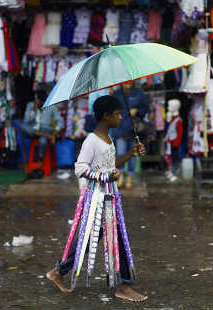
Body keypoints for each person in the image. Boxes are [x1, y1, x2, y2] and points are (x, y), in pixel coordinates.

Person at [46, 95, 148, 302]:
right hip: (96, 199)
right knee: (112, 238)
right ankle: (124, 285)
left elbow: (111, 165)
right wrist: (103, 176)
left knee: (92, 238)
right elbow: (80, 168)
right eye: (118, 114)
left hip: (110, 197)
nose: (120, 118)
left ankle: (58, 271)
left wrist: (131, 153)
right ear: (106, 116)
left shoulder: (108, 139)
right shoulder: (91, 141)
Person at [112, 82, 148, 189]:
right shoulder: (116, 94)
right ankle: (121, 176)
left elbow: (145, 108)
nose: (127, 85)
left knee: (133, 154)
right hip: (120, 129)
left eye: (129, 83)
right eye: (125, 83)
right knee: (121, 153)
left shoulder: (138, 93)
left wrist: (137, 111)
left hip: (134, 130)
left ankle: (130, 177)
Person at [20, 89, 62, 169]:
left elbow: (59, 121)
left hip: (45, 130)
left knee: (42, 141)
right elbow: (26, 121)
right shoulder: (30, 105)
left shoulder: (51, 106)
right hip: (32, 131)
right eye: (40, 102)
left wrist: (55, 132)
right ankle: (48, 136)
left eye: (43, 102)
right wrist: (34, 110)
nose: (42, 104)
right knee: (22, 125)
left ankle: (40, 158)